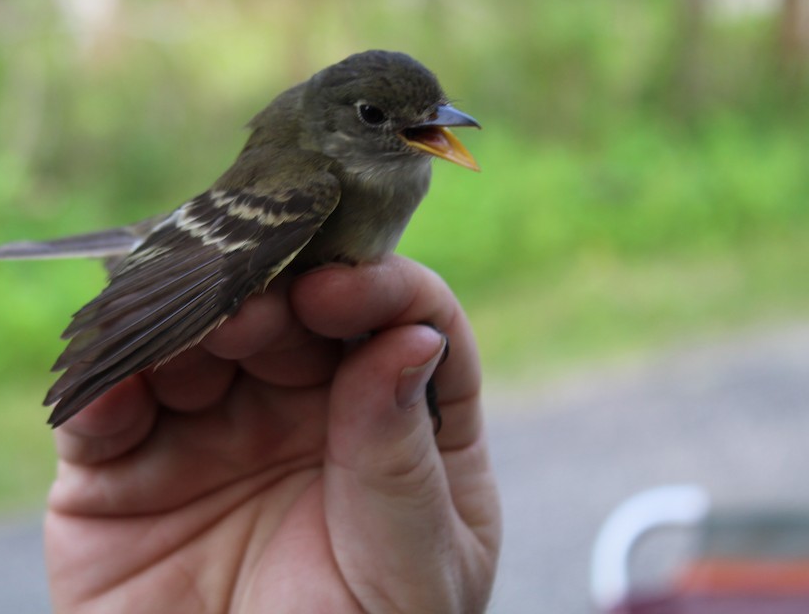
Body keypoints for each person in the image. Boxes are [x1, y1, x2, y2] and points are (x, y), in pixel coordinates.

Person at [44, 256, 502, 613]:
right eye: (377, 124)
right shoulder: (317, 188)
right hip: (218, 279)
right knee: (256, 313)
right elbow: (216, 263)